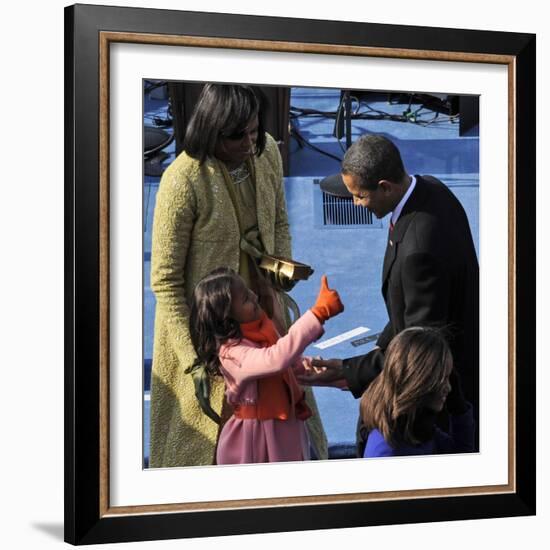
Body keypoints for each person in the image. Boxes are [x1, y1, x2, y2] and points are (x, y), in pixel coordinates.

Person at [149, 84, 328, 468]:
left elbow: (279, 220)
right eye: (238, 136)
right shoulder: (181, 181)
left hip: (262, 313)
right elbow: (165, 281)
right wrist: (194, 360)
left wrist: (279, 274)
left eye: (253, 130)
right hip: (208, 334)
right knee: (210, 447)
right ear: (212, 132)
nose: (250, 142)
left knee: (283, 415)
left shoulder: (265, 153)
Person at [300, 134, 479, 451]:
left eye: (360, 196)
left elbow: (418, 349)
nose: (355, 203)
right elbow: (405, 317)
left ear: (385, 186)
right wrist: (354, 366)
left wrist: (349, 372)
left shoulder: (418, 252)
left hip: (437, 404)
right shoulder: (431, 190)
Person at [189, 268, 343, 464]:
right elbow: (276, 359)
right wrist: (319, 313)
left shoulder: (260, 331)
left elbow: (287, 366)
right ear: (227, 319)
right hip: (256, 441)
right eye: (245, 299)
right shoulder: (231, 355)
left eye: (248, 292)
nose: (254, 296)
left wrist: (328, 372)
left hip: (286, 428)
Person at [360, 327, 474, 457]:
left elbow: (461, 457)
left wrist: (458, 408)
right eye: (441, 379)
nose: (449, 388)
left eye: (449, 378)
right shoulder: (387, 451)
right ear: (418, 382)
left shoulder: (414, 425)